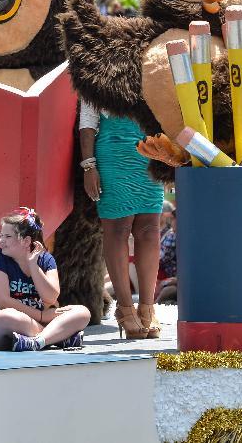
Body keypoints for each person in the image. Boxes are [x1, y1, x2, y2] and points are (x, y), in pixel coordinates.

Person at [79, 100, 164, 339]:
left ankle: (148, 308)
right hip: (112, 154)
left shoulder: (153, 63)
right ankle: (125, 309)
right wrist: (88, 166)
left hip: (150, 150)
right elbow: (87, 120)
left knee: (150, 230)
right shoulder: (95, 64)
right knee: (117, 229)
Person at [0, 208, 90, 351]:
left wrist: (33, 265)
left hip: (33, 324)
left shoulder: (46, 260)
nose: (1, 242)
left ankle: (38, 341)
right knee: (7, 316)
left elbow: (51, 298)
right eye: (1, 236)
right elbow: (3, 302)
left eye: (8, 237)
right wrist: (41, 316)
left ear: (26, 240)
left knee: (82, 312)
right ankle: (58, 337)